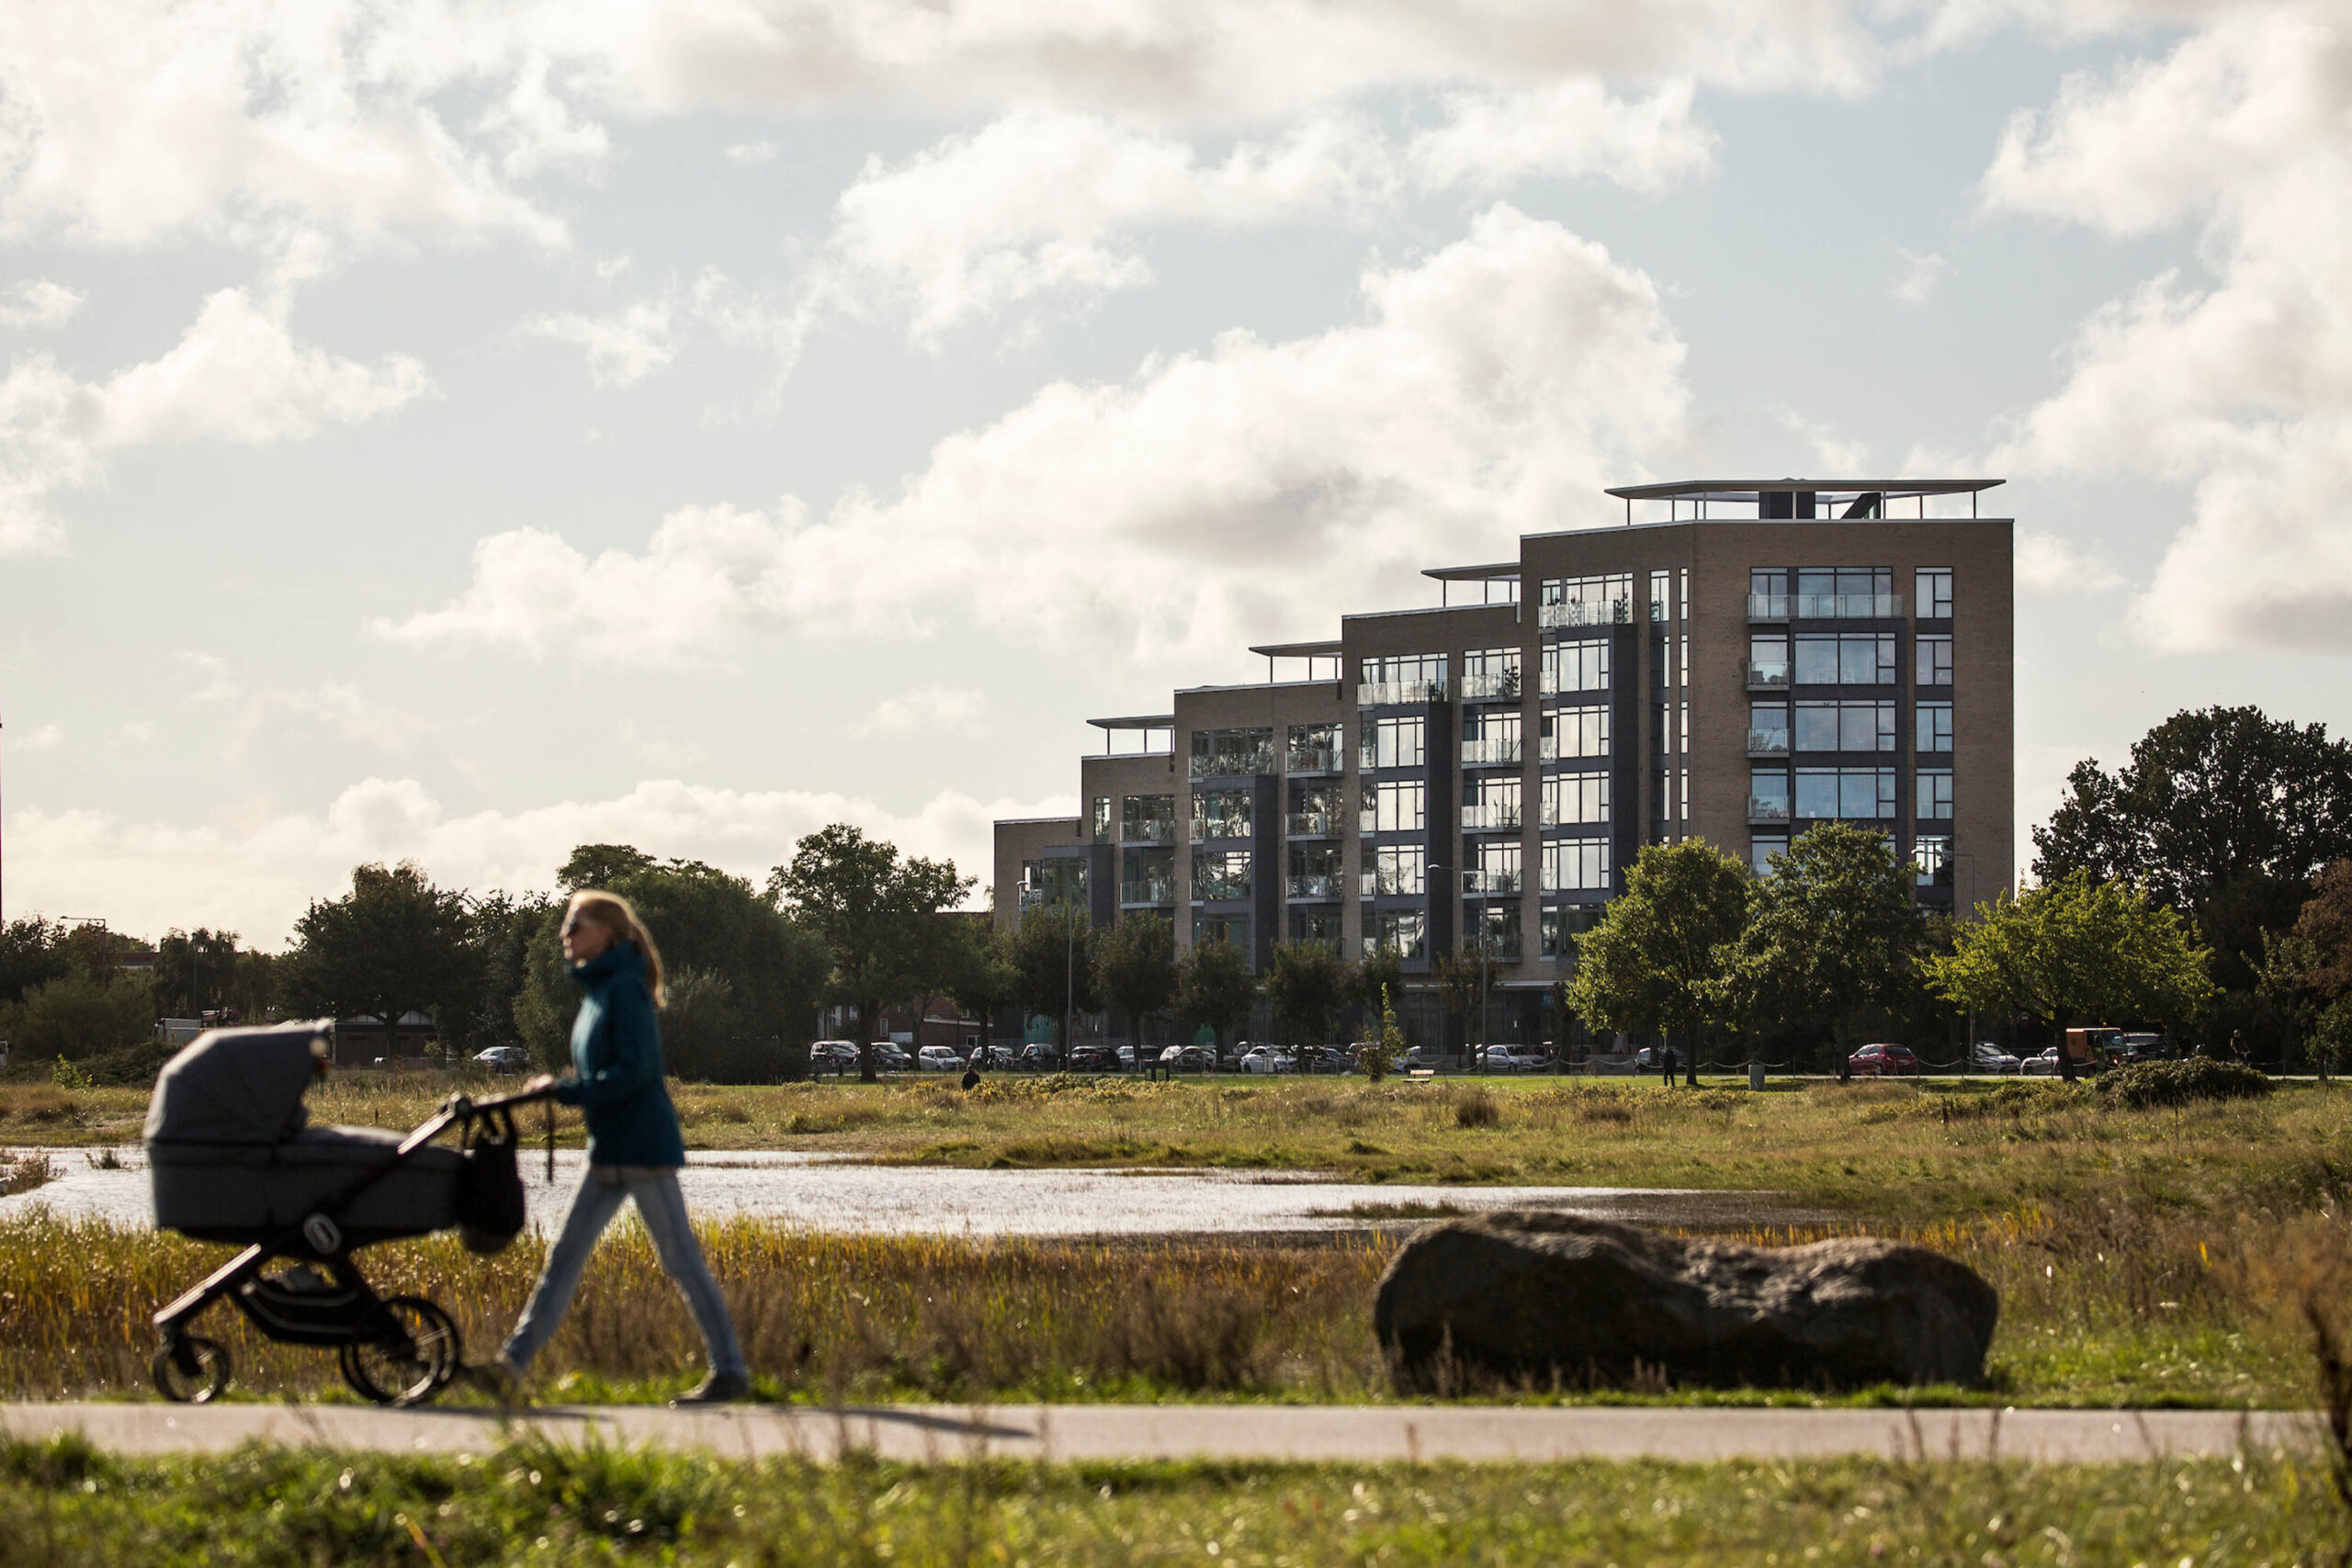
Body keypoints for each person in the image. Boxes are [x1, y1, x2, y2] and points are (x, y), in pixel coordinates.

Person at [481, 889, 749, 1404]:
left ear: (606, 933)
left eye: (575, 925)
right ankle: (509, 1368)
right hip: (609, 1149)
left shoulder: (624, 989)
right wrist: (563, 1086)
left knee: (681, 1261)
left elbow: (635, 1072)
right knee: (563, 1260)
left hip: (642, 1149)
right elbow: (603, 1072)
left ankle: (731, 1371)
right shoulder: (598, 993)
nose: (566, 934)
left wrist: (566, 1091)